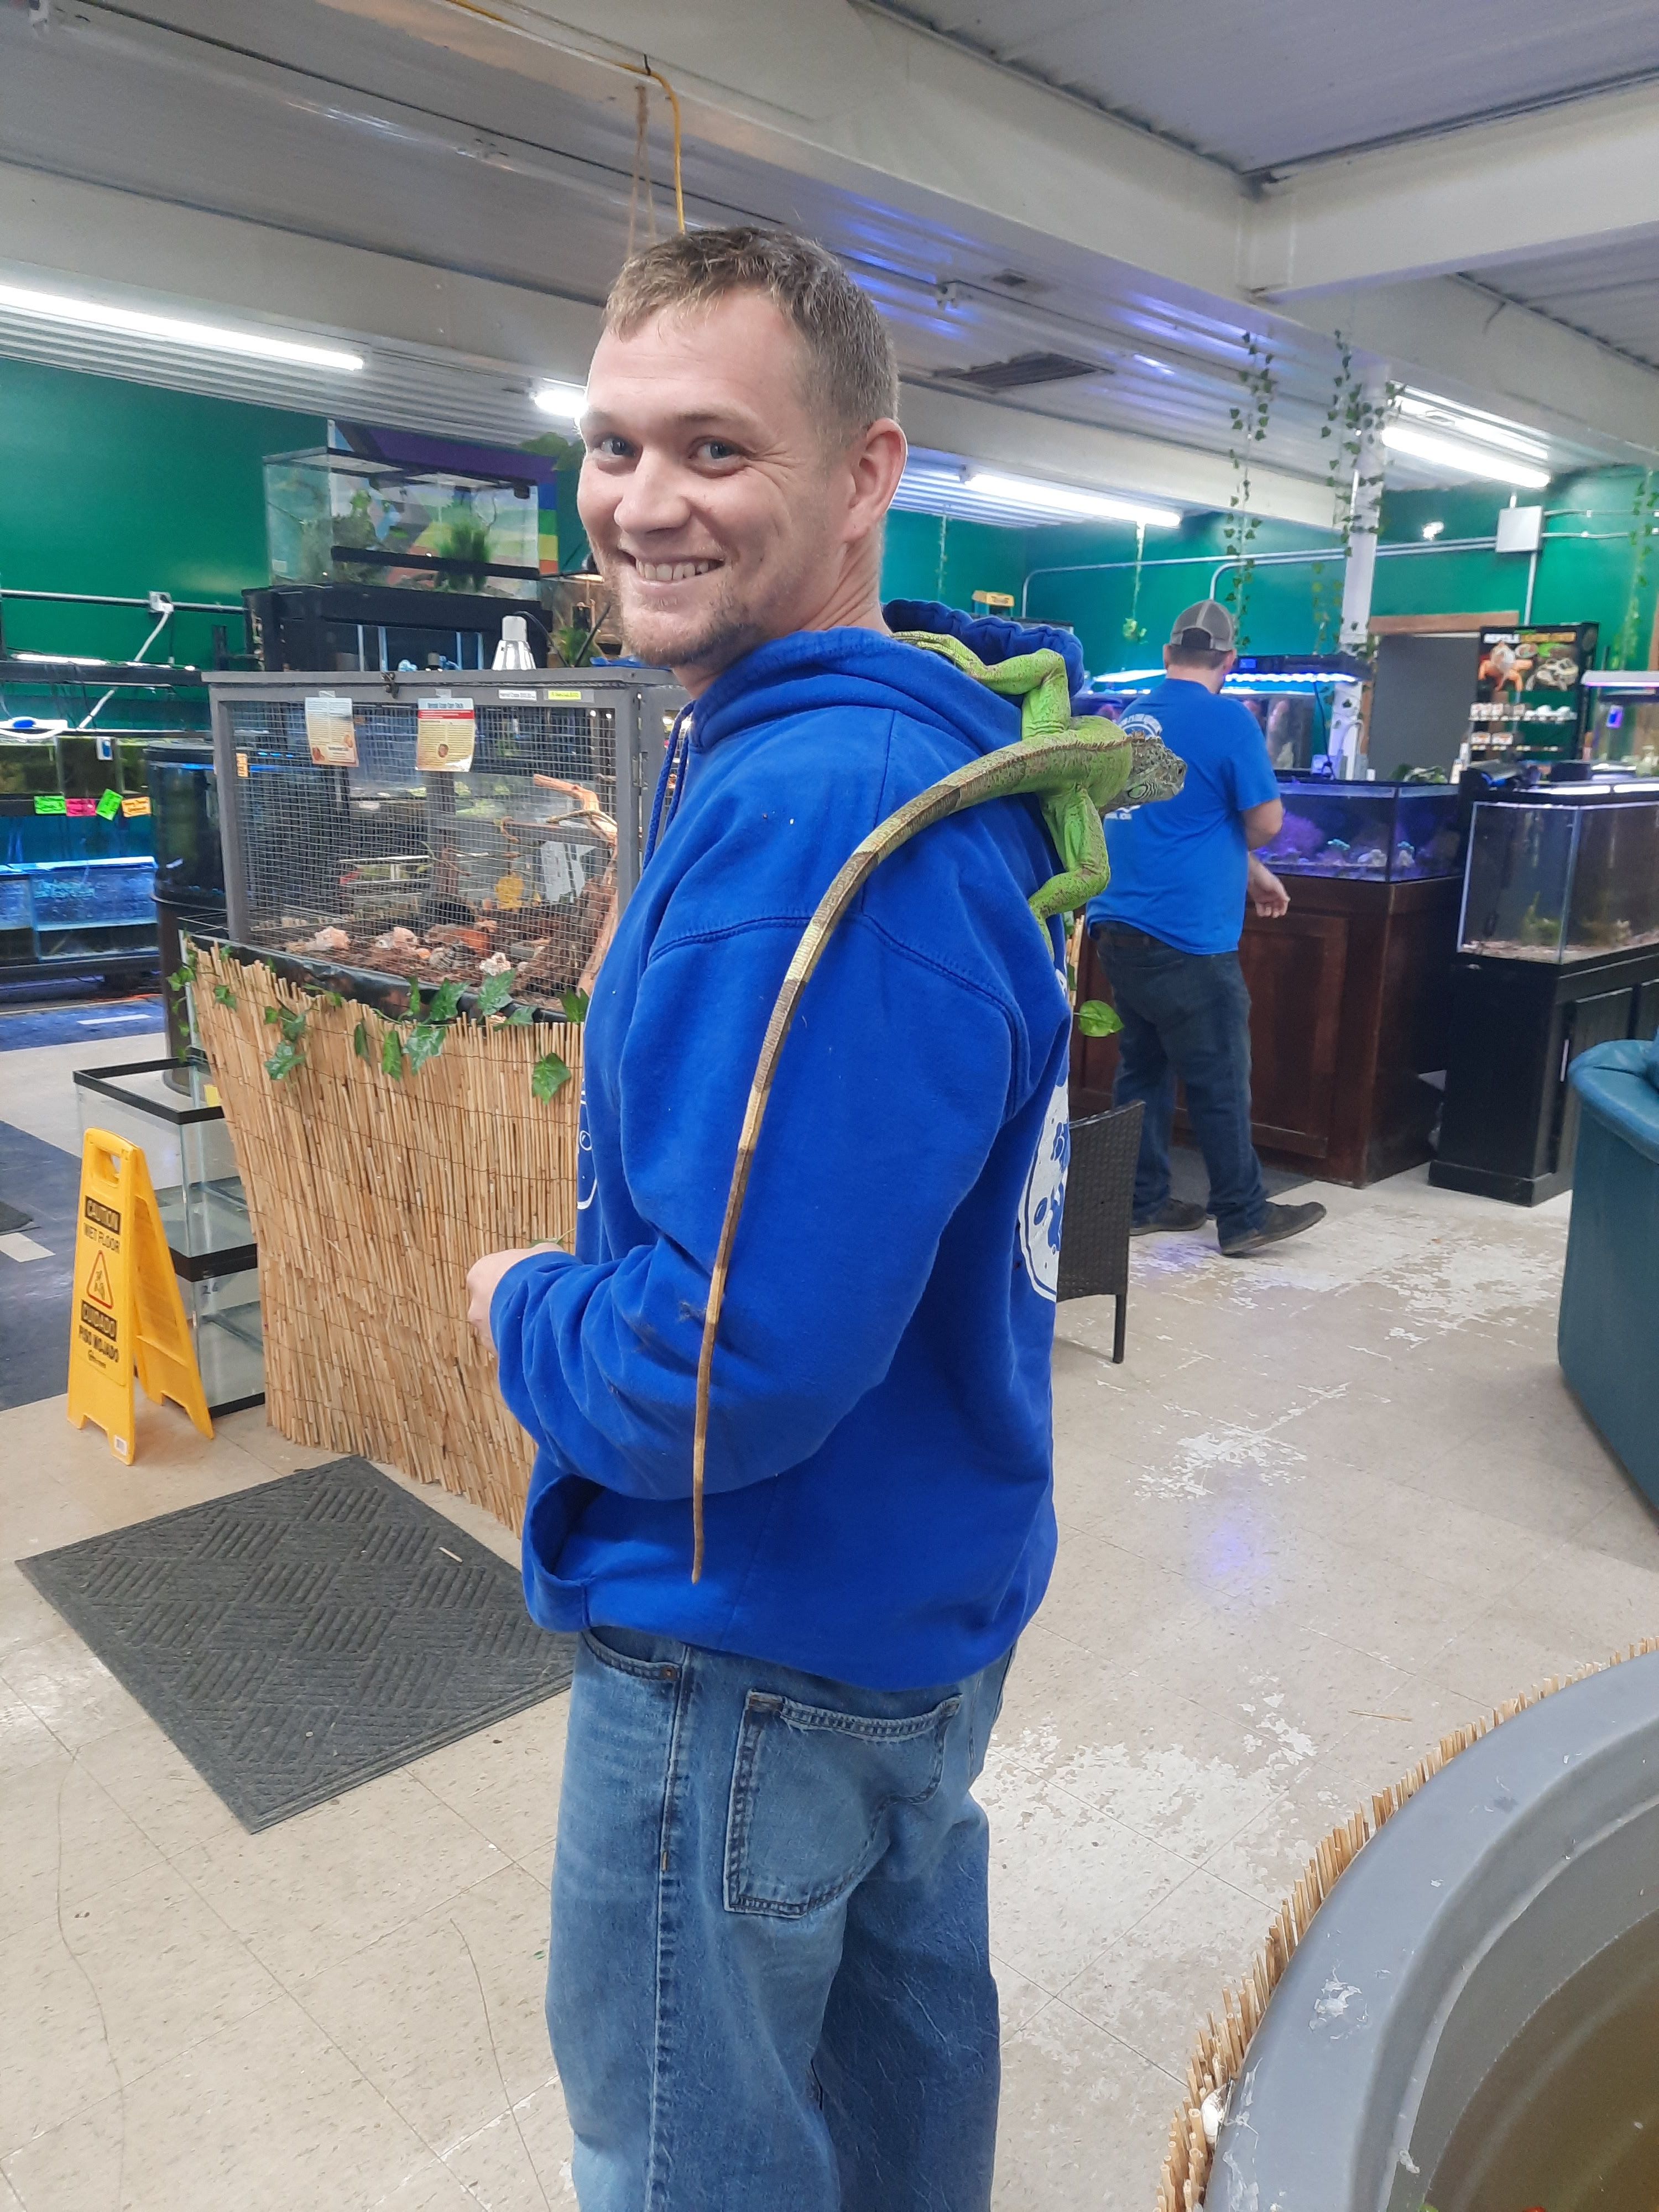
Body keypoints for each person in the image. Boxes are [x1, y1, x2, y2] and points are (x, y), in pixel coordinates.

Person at [464, 226, 1118, 2212]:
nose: (643, 501)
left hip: (745, 1652)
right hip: (905, 1602)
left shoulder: (808, 812)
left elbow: (718, 1374)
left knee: (688, 2159)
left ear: (863, 475)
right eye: (613, 444)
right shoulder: (907, 754)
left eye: (716, 449)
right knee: (894, 2107)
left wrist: (520, 1303)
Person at [1085, 601, 1327, 1257]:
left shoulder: (1129, 720)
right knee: (1219, 1075)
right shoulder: (1228, 720)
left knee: (1143, 1068)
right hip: (1188, 934)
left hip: (1118, 925)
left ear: (1168, 655)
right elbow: (1267, 823)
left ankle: (1142, 1201)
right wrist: (1254, 854)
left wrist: (1250, 873)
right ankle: (1244, 1215)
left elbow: (1176, 821)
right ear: (1229, 660)